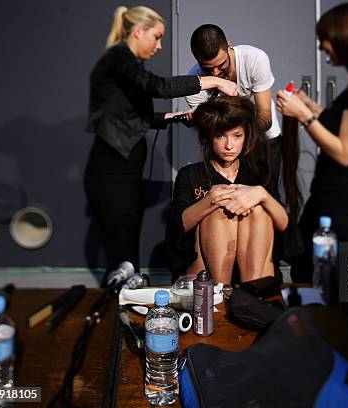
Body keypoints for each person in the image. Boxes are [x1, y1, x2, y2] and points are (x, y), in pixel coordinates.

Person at [85, 6, 237, 279]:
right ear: (138, 31)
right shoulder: (118, 60)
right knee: (119, 245)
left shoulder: (125, 64)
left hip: (127, 166)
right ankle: (117, 304)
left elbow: (127, 115)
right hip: (111, 169)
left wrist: (172, 116)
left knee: (129, 239)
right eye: (156, 37)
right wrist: (214, 80)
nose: (159, 45)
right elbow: (159, 87)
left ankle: (126, 293)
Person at [276, 3, 348, 282]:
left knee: (335, 289)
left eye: (324, 39)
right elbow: (341, 128)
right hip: (328, 197)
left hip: (344, 206)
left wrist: (302, 115)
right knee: (300, 261)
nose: (321, 47)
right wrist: (310, 105)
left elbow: (345, 152)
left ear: (345, 39)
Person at [165, 96, 288, 284]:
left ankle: (251, 295)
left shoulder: (258, 172)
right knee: (217, 215)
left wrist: (262, 195)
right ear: (209, 137)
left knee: (258, 211)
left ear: (246, 136)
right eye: (220, 136)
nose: (229, 146)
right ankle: (220, 295)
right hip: (205, 274)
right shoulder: (191, 174)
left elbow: (286, 227)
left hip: (253, 270)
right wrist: (210, 200)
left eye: (237, 136)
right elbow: (176, 229)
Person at [184, 24, 284, 193]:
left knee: (267, 195)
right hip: (226, 147)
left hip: (263, 137)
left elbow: (265, 118)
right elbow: (208, 131)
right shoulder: (194, 82)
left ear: (229, 45)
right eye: (207, 68)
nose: (215, 74)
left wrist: (239, 135)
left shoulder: (254, 59)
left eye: (221, 65)